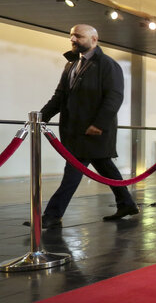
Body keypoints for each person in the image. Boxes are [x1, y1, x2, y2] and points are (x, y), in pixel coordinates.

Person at [39, 25, 138, 229]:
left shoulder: (108, 65)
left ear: (94, 39)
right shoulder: (71, 65)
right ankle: (126, 204)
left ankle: (53, 215)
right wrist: (41, 117)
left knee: (72, 173)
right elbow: (59, 97)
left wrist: (98, 124)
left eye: (78, 36)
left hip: (93, 132)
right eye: (71, 36)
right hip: (75, 131)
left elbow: (114, 97)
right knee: (105, 167)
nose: (73, 39)